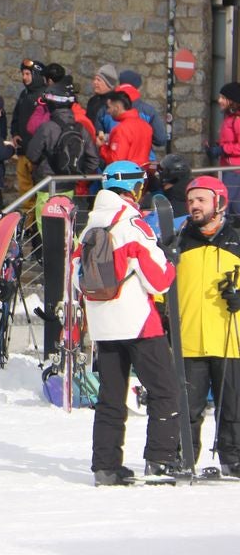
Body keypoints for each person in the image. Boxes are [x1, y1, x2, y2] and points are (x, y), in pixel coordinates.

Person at [73, 161, 180, 486]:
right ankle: (160, 461)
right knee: (165, 391)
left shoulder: (90, 225)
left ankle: (105, 467)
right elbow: (159, 280)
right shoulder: (133, 224)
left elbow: (77, 278)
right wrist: (171, 260)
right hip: (138, 322)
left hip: (103, 324)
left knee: (111, 396)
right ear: (135, 187)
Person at [174, 176, 240, 475]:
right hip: (189, 338)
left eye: (201, 199)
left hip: (230, 338)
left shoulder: (237, 239)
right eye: (191, 200)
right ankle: (183, 458)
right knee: (188, 408)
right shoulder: (178, 240)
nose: (194, 206)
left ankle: (233, 458)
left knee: (234, 407)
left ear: (219, 202)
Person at [26, 83, 100, 230]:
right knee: (68, 229)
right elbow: (94, 160)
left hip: (46, 187)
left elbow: (31, 155)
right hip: (69, 186)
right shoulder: (81, 129)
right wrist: (77, 174)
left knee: (47, 232)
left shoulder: (47, 128)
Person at [11, 58, 46, 226]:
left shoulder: (44, 96)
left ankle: (34, 228)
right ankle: (28, 226)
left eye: (27, 74)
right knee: (24, 193)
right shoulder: (24, 94)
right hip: (23, 152)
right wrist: (15, 133)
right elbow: (16, 117)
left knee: (37, 193)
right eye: (23, 73)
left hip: (36, 156)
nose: (24, 77)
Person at [115, 70, 169, 151]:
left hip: (116, 159)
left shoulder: (109, 109)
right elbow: (161, 139)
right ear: (137, 88)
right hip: (144, 159)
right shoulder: (148, 111)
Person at [97, 90, 153, 167]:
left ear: (117, 107)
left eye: (109, 107)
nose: (108, 111)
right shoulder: (146, 126)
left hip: (125, 175)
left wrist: (102, 147)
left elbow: (115, 160)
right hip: (141, 174)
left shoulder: (121, 129)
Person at [208, 82, 240, 218]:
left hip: (234, 170)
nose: (219, 100)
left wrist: (222, 150)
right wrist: (216, 147)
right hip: (229, 168)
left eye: (223, 97)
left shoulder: (237, 120)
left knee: (224, 206)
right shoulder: (229, 118)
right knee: (233, 208)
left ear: (232, 100)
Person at [85, 63, 119, 135]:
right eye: (95, 79)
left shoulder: (114, 103)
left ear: (108, 84)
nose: (95, 82)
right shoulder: (93, 100)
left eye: (99, 80)